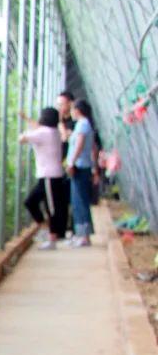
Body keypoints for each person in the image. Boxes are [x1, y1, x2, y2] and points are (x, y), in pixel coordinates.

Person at [20, 107, 70, 249]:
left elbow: (22, 138)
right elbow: (38, 129)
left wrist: (25, 133)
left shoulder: (43, 133)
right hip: (50, 175)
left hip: (49, 175)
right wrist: (27, 119)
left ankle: (52, 237)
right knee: (32, 201)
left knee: (51, 207)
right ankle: (46, 230)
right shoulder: (53, 132)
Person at [66, 99, 97, 246]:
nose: (70, 112)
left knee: (80, 200)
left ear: (77, 110)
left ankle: (84, 236)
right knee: (77, 200)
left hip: (80, 166)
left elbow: (79, 144)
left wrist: (71, 162)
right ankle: (81, 234)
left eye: (72, 109)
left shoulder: (83, 124)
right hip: (81, 166)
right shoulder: (82, 124)